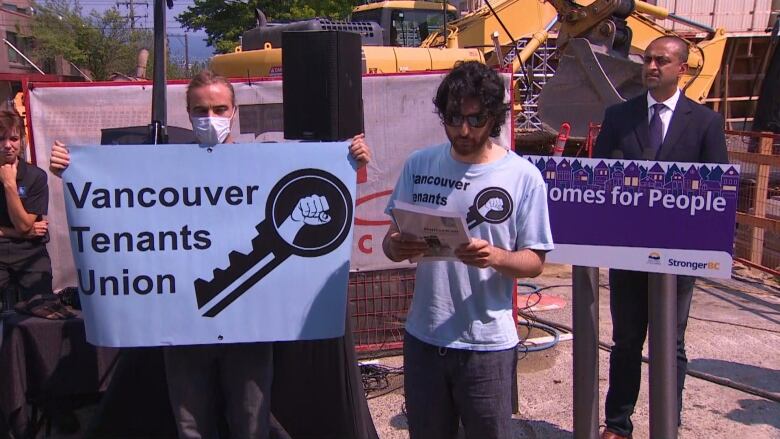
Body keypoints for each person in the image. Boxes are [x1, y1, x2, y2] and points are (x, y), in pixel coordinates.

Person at [50, 70, 371, 439]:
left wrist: (349, 159)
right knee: (191, 427)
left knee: (251, 422)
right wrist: (72, 172)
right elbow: (118, 208)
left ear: (233, 111)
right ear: (187, 113)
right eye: (201, 110)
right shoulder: (162, 170)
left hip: (250, 327)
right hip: (183, 326)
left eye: (219, 108)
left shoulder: (263, 164)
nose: (210, 118)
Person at [382, 61, 553, 439]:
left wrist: (497, 257)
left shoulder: (523, 177)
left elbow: (535, 262)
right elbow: (390, 242)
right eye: (454, 118)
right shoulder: (419, 164)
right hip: (424, 337)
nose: (463, 130)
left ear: (495, 118)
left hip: (487, 344)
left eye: (476, 120)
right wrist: (397, 245)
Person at [593, 36, 729, 439]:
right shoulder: (619, 117)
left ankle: (668, 423)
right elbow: (600, 178)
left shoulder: (704, 122)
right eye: (647, 59)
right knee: (625, 341)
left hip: (678, 256)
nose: (651, 66)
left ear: (681, 69)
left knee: (671, 344)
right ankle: (617, 425)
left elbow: (715, 189)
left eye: (661, 61)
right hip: (629, 252)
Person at [0, 110, 52, 304]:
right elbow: (24, 230)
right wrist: (17, 233)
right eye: (0, 139)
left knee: (42, 307)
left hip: (30, 251)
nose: (7, 145)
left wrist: (9, 184)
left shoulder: (35, 176)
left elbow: (23, 225)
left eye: (13, 138)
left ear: (22, 140)